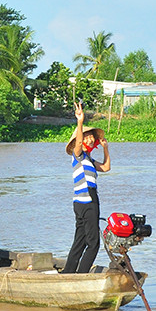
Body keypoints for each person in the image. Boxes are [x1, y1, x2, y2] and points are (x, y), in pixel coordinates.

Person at [62, 102, 111, 274]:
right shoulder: (78, 156)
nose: (89, 139)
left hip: (81, 201)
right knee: (93, 243)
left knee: (80, 241)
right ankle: (82, 275)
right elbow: (79, 142)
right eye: (86, 137)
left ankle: (68, 272)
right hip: (88, 200)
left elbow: (106, 168)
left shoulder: (89, 160)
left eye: (92, 137)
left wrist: (106, 149)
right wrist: (80, 122)